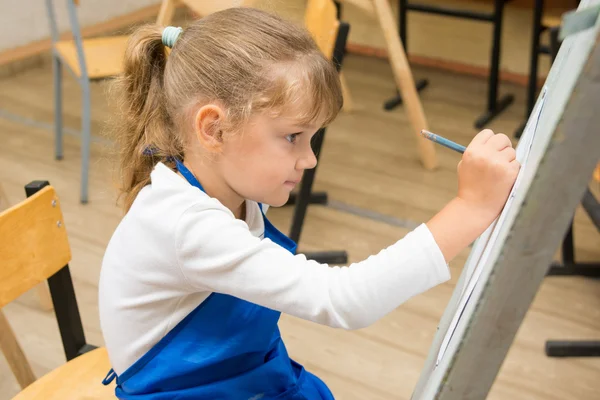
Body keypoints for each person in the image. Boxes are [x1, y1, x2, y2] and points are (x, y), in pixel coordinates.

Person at [98, 7, 520, 399]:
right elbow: (343, 299)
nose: (310, 158)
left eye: (312, 138)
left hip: (246, 376)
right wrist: (470, 207)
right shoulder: (185, 224)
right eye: (292, 137)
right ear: (214, 129)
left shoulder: (227, 187)